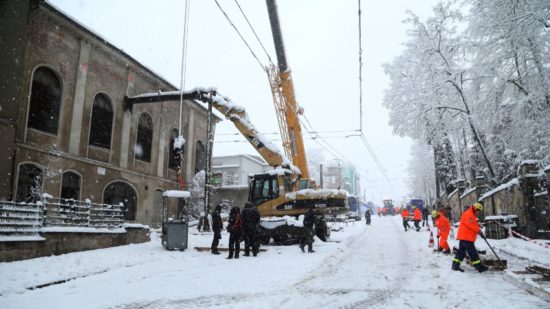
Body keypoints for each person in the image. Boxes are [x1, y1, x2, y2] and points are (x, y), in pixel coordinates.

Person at [452, 203, 488, 273]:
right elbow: (470, 225)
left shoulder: (471, 214)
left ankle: (455, 265)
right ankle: (479, 267)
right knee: (473, 253)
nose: (478, 213)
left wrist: (480, 232)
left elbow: (474, 225)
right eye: (479, 211)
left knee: (462, 252)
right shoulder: (469, 214)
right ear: (475, 209)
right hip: (466, 237)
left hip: (466, 237)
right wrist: (479, 231)